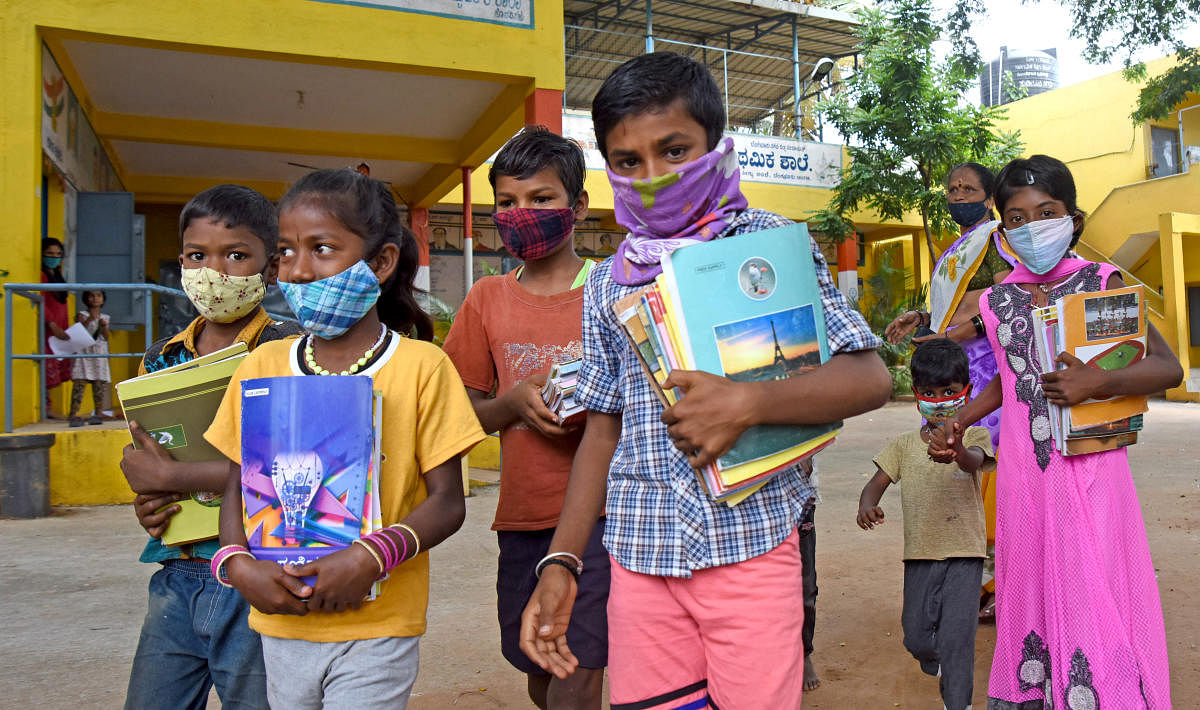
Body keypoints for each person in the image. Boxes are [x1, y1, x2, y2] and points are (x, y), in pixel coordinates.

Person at [518, 52, 892, 709]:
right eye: (628, 161)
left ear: (716, 147)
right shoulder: (609, 281)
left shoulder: (771, 244)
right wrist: (562, 560)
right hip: (640, 556)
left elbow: (868, 377)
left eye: (674, 149)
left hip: (751, 546)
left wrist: (753, 402)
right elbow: (602, 430)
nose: (654, 177)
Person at [205, 169, 485, 709]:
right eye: (286, 251)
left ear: (379, 263)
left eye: (323, 248)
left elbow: (448, 503)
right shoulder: (261, 366)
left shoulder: (422, 367)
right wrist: (237, 564)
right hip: (281, 623)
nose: (300, 270)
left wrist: (367, 559)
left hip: (379, 625)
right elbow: (236, 487)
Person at [930, 155, 1182, 709]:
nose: (1032, 226)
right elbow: (1010, 378)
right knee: (1035, 579)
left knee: (1094, 582)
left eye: (1046, 212)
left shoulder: (1101, 283)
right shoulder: (998, 301)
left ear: (1072, 217)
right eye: (1016, 217)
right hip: (1026, 472)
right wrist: (960, 420)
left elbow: (1168, 368)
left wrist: (1093, 384)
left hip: (1093, 467)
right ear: (1002, 229)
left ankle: (1106, 692)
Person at [443, 127, 608, 710]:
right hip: (522, 519)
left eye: (541, 199)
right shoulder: (485, 299)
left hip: (605, 517)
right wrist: (509, 405)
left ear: (578, 207)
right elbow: (460, 414)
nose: (523, 214)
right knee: (535, 663)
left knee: (578, 664)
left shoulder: (613, 291)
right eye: (507, 203)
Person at [119, 185, 301, 710]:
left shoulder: (290, 352)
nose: (214, 271)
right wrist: (148, 497)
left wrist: (174, 479)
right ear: (181, 262)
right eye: (198, 256)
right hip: (176, 569)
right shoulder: (161, 359)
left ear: (271, 270)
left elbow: (291, 466)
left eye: (236, 256)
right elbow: (148, 455)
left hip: (257, 567)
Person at [885, 162, 1016, 618]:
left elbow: (1005, 298)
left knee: (988, 472)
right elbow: (952, 307)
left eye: (968, 188)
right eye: (952, 188)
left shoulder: (998, 241)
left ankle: (1002, 585)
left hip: (985, 372)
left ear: (989, 194)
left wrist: (969, 330)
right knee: (953, 470)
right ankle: (969, 582)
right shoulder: (958, 249)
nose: (958, 194)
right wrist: (922, 319)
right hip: (953, 373)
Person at [857, 339, 994, 710]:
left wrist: (958, 450)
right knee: (916, 635)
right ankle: (932, 659)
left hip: (966, 554)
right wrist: (867, 505)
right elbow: (877, 482)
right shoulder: (903, 445)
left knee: (958, 639)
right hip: (919, 554)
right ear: (917, 394)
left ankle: (958, 701)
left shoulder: (976, 435)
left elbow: (975, 462)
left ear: (965, 392)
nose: (940, 400)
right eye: (930, 392)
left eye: (949, 391)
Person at [40, 237, 73, 418]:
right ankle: (47, 409)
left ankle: (49, 409)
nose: (54, 257)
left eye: (58, 254)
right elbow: (42, 301)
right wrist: (52, 324)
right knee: (46, 366)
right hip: (48, 330)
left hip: (60, 329)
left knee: (55, 365)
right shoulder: (42, 276)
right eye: (50, 254)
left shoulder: (57, 276)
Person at [68, 289, 110, 426]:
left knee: (99, 384)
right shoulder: (82, 315)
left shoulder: (105, 317)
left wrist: (104, 327)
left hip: (98, 353)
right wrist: (90, 320)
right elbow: (79, 330)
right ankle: (73, 413)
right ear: (86, 299)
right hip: (84, 353)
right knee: (79, 384)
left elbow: (106, 337)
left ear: (103, 299)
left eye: (98, 296)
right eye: (91, 296)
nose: (95, 298)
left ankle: (98, 412)